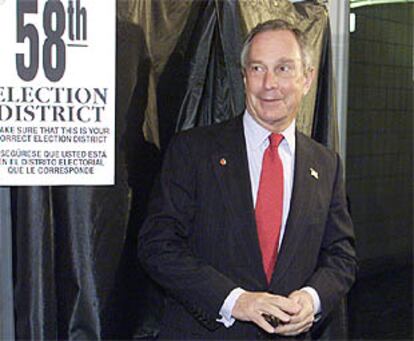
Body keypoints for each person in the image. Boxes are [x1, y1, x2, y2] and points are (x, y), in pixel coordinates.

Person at [138, 19, 357, 340]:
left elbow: (341, 254)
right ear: (243, 78)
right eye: (257, 68)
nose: (269, 83)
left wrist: (312, 298)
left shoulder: (326, 164)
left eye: (283, 69)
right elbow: (156, 245)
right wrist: (234, 300)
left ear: (307, 79)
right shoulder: (193, 151)